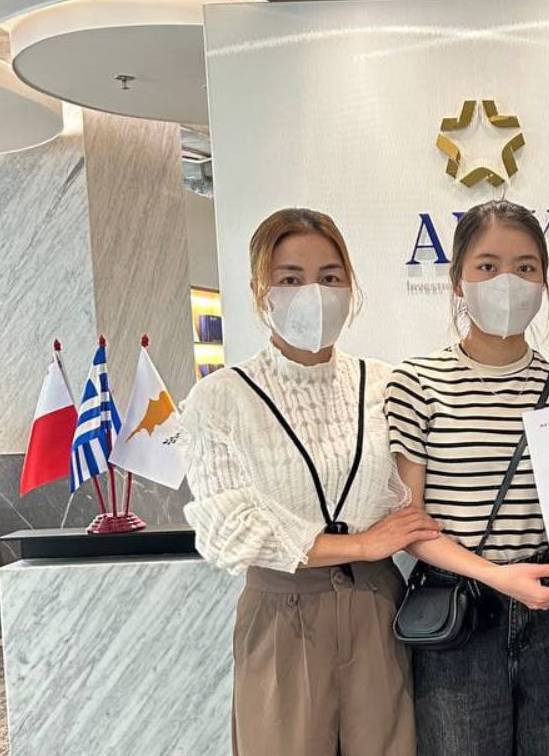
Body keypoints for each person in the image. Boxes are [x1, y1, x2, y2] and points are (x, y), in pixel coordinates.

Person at [181, 208, 440, 756]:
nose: (314, 294)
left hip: (377, 606)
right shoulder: (221, 398)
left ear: (350, 285)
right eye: (291, 279)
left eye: (329, 277)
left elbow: (419, 486)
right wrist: (363, 544)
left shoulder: (386, 384)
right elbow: (230, 531)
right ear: (261, 291)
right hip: (282, 609)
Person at [385, 199, 549, 756]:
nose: (507, 282)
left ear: (544, 281)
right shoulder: (416, 383)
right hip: (459, 618)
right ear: (457, 281)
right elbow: (410, 525)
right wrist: (497, 577)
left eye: (525, 267)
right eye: (487, 266)